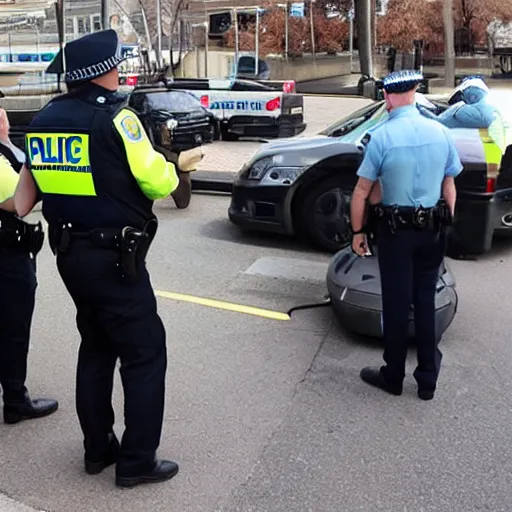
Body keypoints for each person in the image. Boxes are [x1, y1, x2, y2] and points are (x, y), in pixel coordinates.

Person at [10, 29, 180, 488]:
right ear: (106, 71)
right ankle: (137, 461)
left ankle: (97, 450)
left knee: (97, 346)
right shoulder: (119, 120)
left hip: (69, 256)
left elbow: (21, 202)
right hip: (116, 260)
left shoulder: (43, 120)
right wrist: (171, 165)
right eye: (118, 63)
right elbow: (158, 184)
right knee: (145, 354)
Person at [350, 70, 463, 401]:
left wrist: (358, 231)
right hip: (431, 231)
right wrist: (446, 223)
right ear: (414, 91)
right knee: (425, 301)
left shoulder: (380, 137)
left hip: (395, 232)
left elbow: (362, 191)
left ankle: (394, 375)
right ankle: (427, 380)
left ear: (386, 96)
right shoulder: (441, 132)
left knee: (397, 304)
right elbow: (449, 185)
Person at [0, 109, 58, 424]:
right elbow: (15, 202)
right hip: (7, 256)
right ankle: (15, 399)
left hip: (13, 251)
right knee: (13, 329)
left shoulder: (6, 148)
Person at [417, 76, 497, 129]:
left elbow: (439, 122)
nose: (462, 97)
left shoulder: (466, 110)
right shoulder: (487, 109)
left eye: (463, 95)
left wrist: (420, 108)